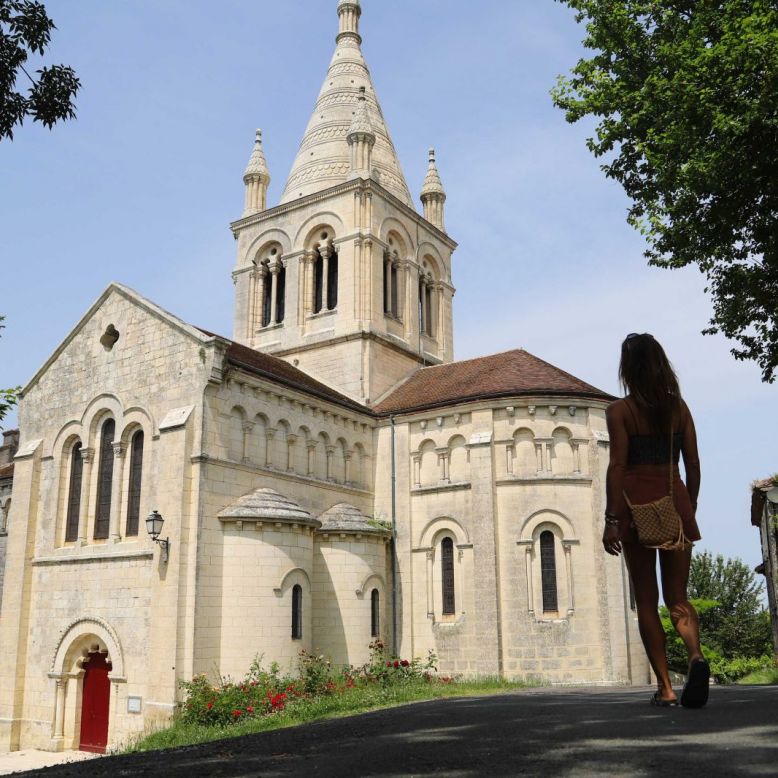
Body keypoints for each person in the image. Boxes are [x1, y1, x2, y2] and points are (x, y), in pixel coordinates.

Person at [602, 333, 709, 708]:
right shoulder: (678, 408)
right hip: (674, 500)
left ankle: (665, 688)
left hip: (634, 506)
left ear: (627, 369)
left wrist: (611, 519)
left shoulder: (620, 411)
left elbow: (617, 466)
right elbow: (692, 464)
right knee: (677, 596)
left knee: (647, 601)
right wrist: (688, 506)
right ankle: (696, 655)